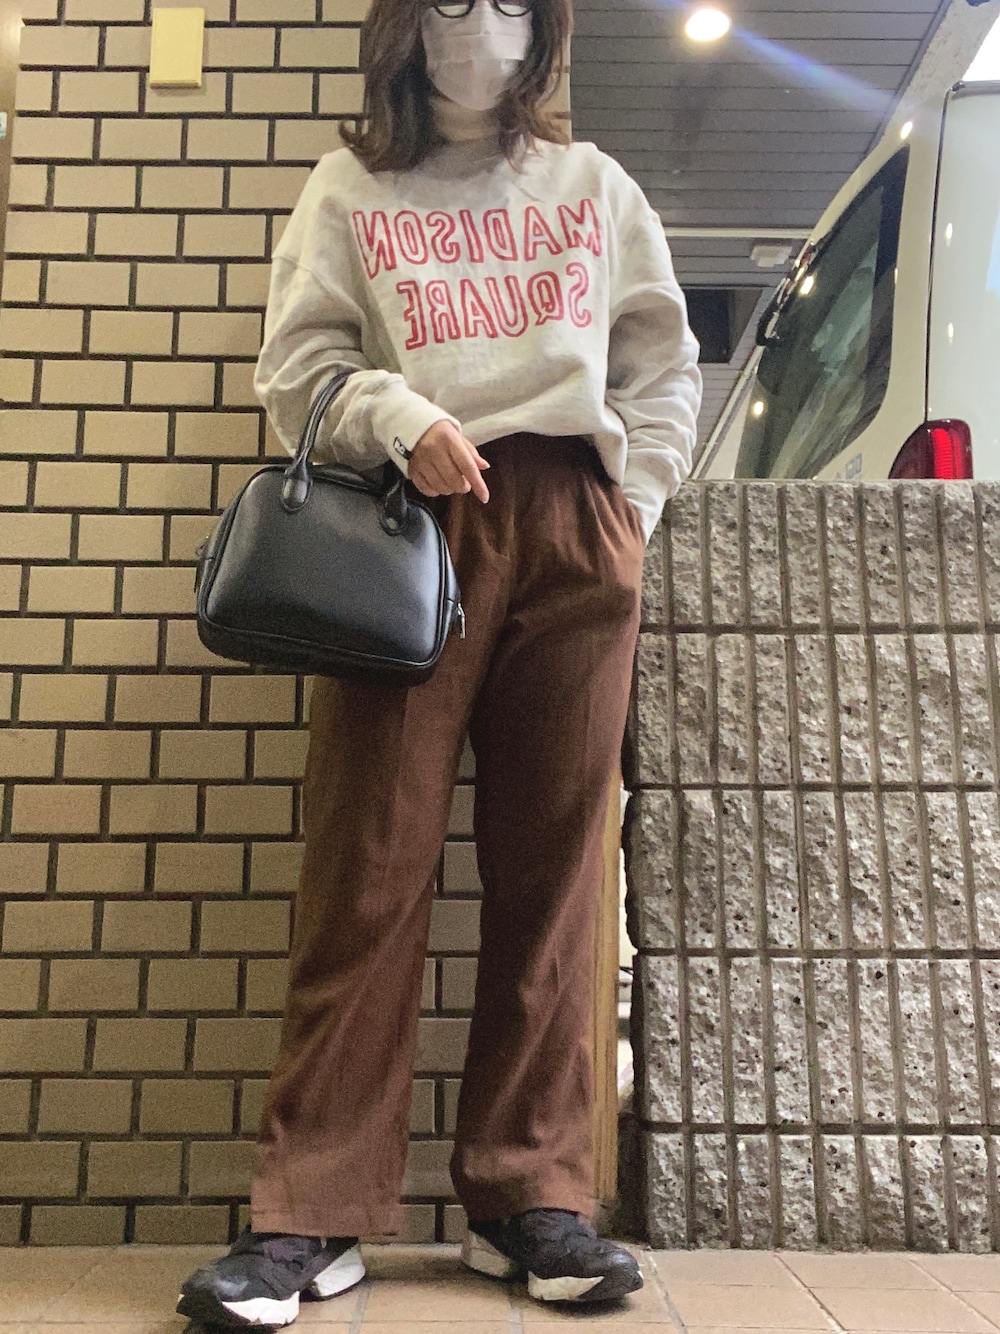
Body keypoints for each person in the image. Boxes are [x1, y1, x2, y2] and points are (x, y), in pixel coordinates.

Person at [177, 0, 701, 1326]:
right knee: (367, 861)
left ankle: (529, 1198)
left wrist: (628, 512)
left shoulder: (592, 187)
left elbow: (661, 363)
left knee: (558, 874)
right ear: (406, 28)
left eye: (510, 3)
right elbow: (298, 370)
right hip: (404, 529)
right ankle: (310, 1212)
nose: (483, 27)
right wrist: (397, 413)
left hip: (573, 524)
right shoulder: (350, 188)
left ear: (543, 29)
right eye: (454, 4)